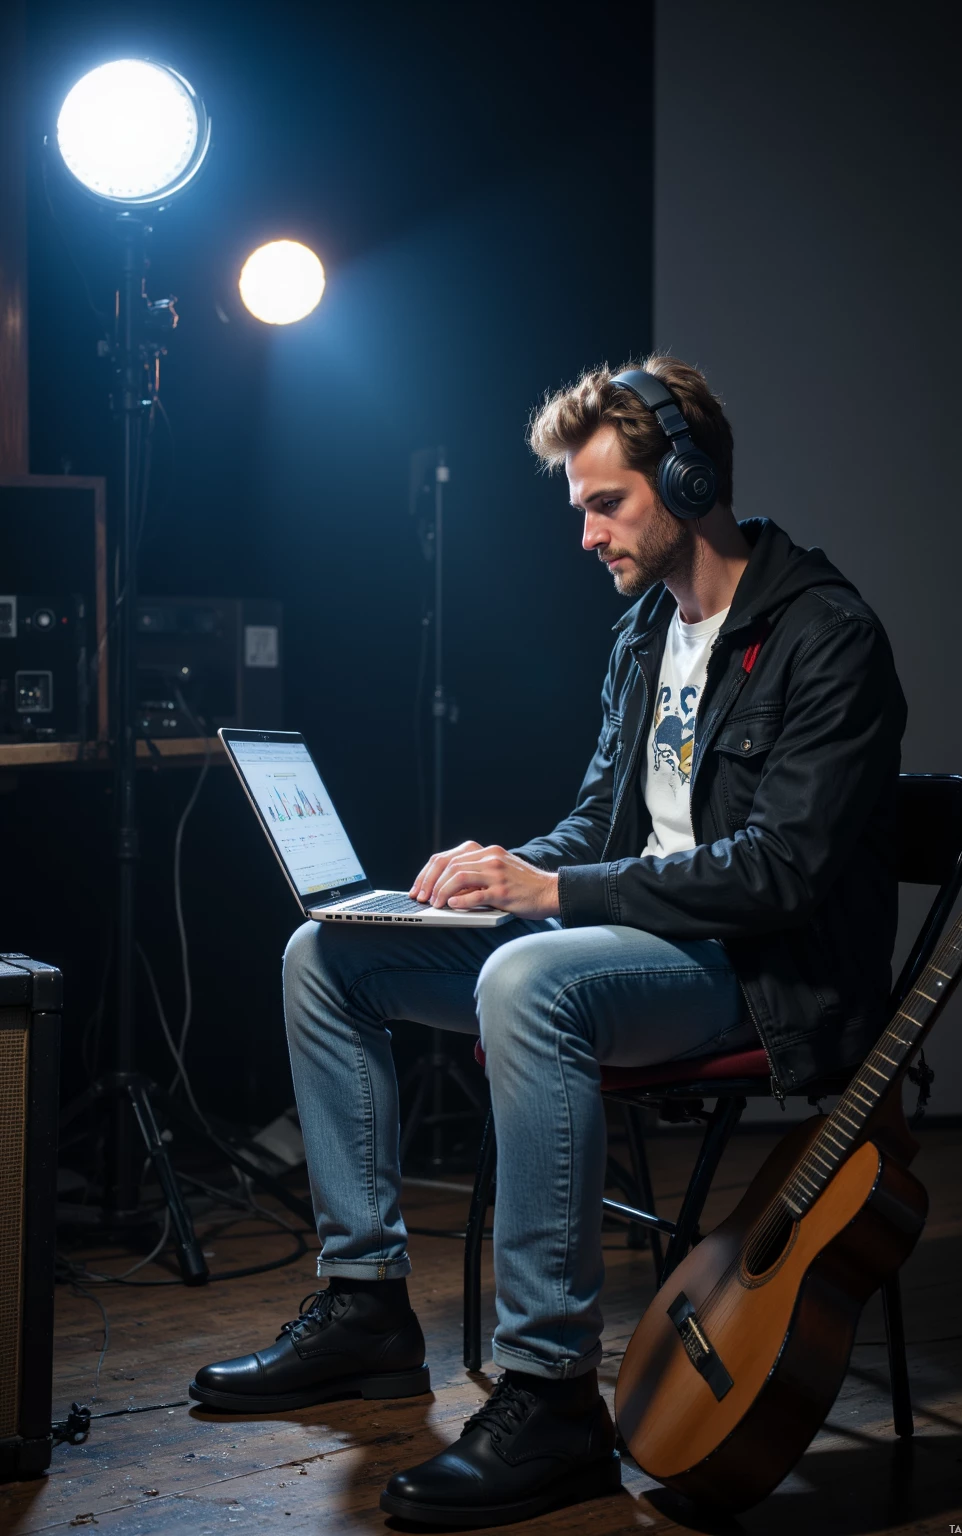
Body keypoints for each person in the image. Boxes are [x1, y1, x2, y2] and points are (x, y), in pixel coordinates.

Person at [190, 357, 907, 1527]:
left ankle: (551, 1396)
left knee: (528, 979)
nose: (583, 533)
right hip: (627, 948)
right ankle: (366, 1308)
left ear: (689, 480)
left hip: (751, 975)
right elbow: (599, 819)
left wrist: (553, 890)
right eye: (577, 505)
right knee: (324, 955)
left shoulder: (828, 638)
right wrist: (495, 871)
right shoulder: (643, 636)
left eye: (604, 501)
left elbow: (781, 872)